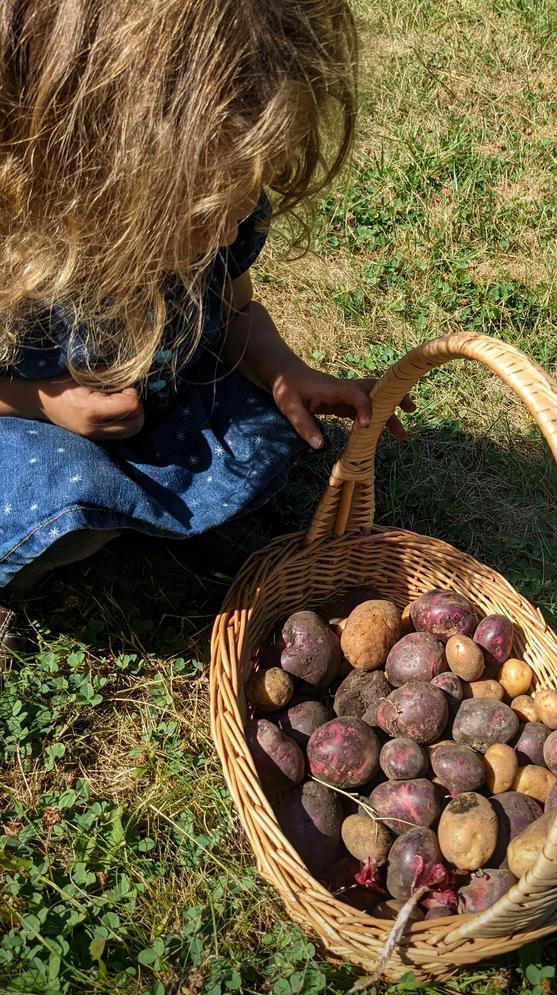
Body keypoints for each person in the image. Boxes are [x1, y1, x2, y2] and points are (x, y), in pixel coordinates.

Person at [0, 0, 411, 651]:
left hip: (164, 393)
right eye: (193, 213)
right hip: (27, 426)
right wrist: (43, 401)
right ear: (83, 173)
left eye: (244, 192)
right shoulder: (19, 250)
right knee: (54, 492)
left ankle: (144, 502)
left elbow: (235, 310)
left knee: (263, 432)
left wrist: (283, 371)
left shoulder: (223, 207)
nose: (225, 229)